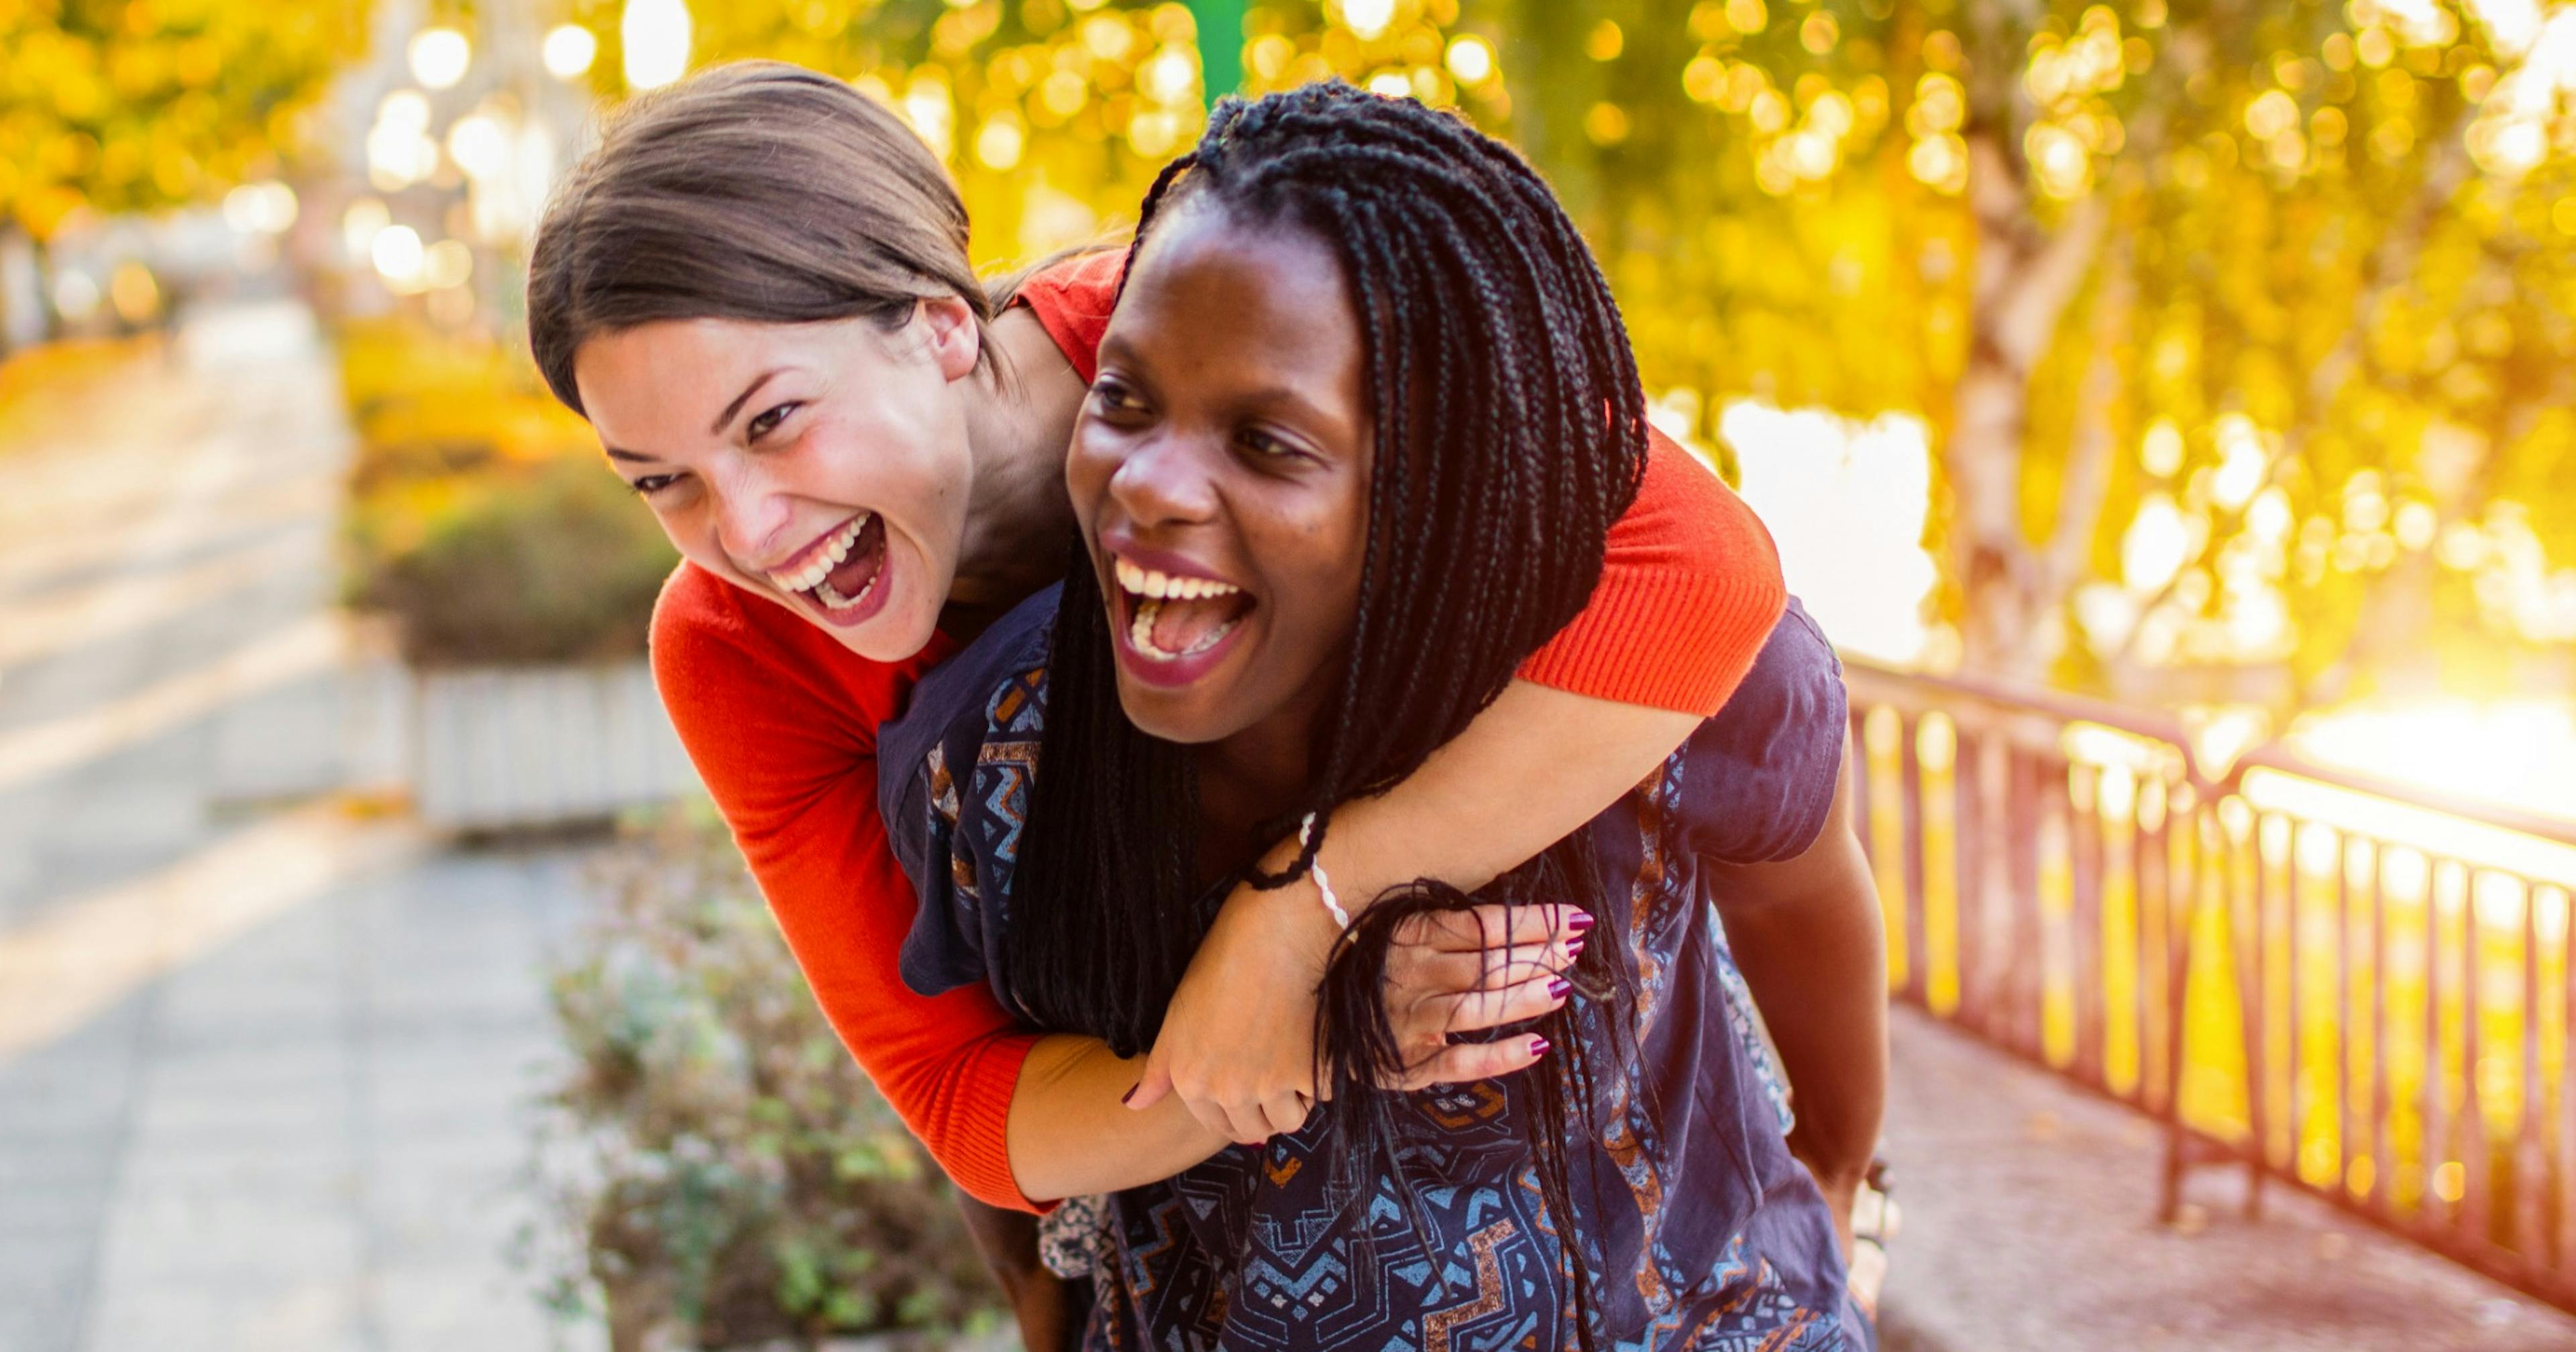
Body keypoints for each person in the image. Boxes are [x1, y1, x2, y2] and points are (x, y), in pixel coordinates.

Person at [525, 60, 1880, 1345]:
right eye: (661, 481)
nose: (746, 531)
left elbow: (1706, 574)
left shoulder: (1253, 322)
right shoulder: (752, 655)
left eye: (771, 422)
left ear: (941, 324)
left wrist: (1302, 918)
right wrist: (1294, 1034)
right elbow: (960, 1095)